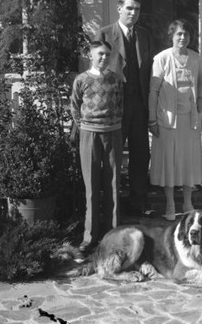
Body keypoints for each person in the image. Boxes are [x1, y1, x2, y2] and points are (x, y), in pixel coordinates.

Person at [94, 0, 153, 218]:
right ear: (119, 9)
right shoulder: (105, 33)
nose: (133, 13)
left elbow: (149, 72)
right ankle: (112, 205)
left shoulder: (145, 35)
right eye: (129, 8)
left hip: (139, 105)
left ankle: (139, 202)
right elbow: (97, 71)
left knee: (140, 155)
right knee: (113, 156)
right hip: (115, 105)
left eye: (137, 9)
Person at [148, 18, 202, 221]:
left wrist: (199, 101)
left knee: (188, 161)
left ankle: (188, 202)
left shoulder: (196, 58)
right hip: (167, 120)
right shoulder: (162, 58)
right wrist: (152, 119)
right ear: (172, 36)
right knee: (169, 162)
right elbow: (153, 91)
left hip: (189, 120)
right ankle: (171, 204)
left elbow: (201, 83)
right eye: (179, 34)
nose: (183, 38)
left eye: (186, 34)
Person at [70, 40, 124, 252]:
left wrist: (114, 124)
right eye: (100, 54)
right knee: (91, 186)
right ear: (90, 55)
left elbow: (120, 105)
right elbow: (74, 106)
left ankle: (113, 235)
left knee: (112, 184)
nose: (104, 58)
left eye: (107, 55)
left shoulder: (116, 79)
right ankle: (89, 237)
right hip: (89, 135)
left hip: (113, 134)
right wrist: (85, 126)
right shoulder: (81, 80)